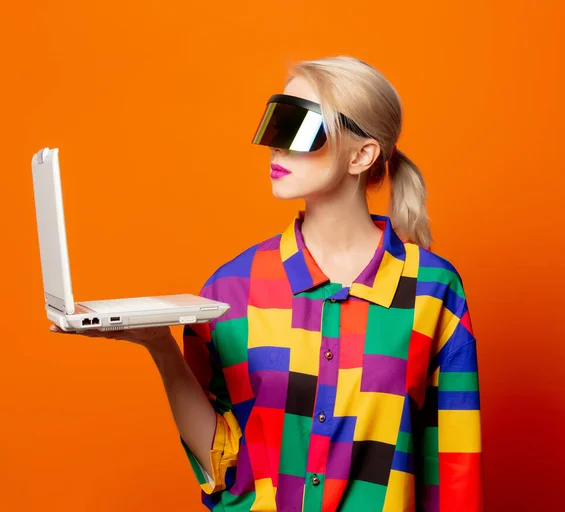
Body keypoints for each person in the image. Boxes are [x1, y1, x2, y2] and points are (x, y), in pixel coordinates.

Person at [51, 56, 484, 511]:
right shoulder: (228, 292)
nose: (276, 149)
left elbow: (455, 469)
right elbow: (222, 466)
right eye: (275, 124)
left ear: (362, 155)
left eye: (299, 127)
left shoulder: (433, 291)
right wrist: (160, 347)